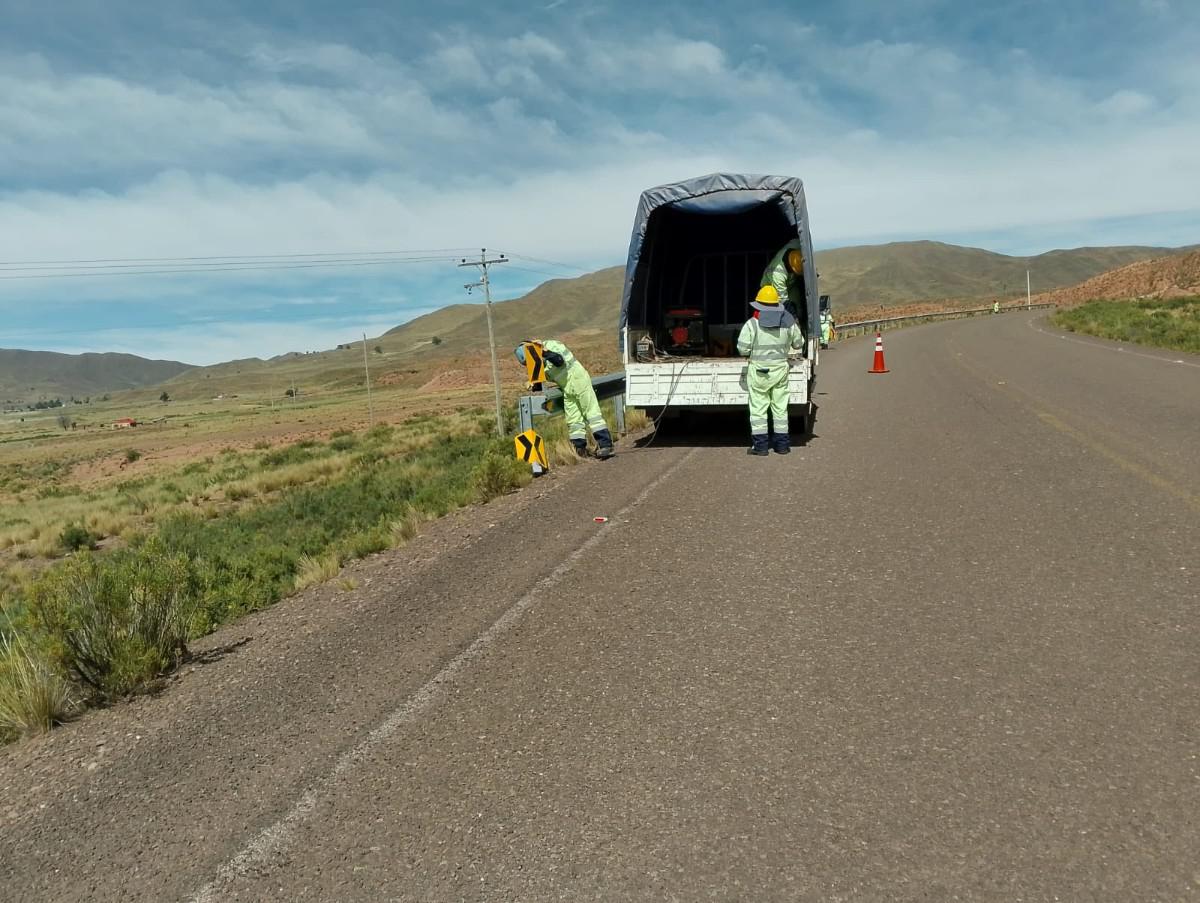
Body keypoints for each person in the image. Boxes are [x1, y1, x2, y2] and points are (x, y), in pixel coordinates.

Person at [514, 339, 614, 459]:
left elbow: (559, 361)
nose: (531, 363)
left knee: (592, 413)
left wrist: (544, 352)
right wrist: (533, 383)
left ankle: (605, 445)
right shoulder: (538, 363)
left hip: (578, 379)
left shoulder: (551, 345)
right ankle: (579, 449)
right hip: (566, 388)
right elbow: (541, 382)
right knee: (573, 419)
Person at [737, 285, 805, 456]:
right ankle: (782, 446)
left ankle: (760, 447)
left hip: (759, 372)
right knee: (780, 408)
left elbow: (742, 349)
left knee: (758, 409)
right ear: (777, 305)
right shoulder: (788, 323)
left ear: (759, 305)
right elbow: (799, 343)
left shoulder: (752, 324)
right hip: (780, 371)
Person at [761, 239, 807, 326]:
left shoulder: (795, 247)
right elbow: (784, 301)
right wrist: (794, 318)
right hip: (771, 288)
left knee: (797, 304)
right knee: (780, 312)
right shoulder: (777, 275)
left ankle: (801, 322)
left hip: (790, 284)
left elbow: (801, 240)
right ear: (790, 269)